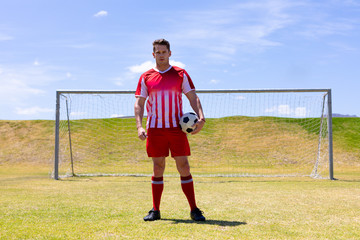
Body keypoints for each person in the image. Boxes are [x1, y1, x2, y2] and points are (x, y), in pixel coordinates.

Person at [134, 38, 206, 222]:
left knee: (184, 166)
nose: (161, 55)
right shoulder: (146, 77)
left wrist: (201, 117)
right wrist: (140, 126)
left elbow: (192, 97)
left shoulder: (180, 74)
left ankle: (194, 209)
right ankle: (155, 210)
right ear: (153, 54)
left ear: (170, 53)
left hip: (176, 129)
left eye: (164, 52)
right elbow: (139, 103)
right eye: (157, 52)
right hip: (156, 129)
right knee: (158, 168)